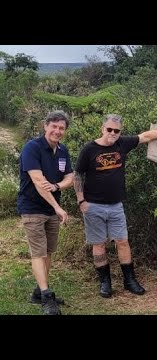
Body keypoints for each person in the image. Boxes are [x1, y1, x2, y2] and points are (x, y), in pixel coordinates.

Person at [74, 114, 157, 298]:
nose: (112, 133)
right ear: (102, 128)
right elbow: (78, 175)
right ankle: (105, 282)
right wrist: (81, 201)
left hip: (116, 205)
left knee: (123, 241)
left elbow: (145, 136)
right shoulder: (89, 149)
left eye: (116, 130)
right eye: (109, 129)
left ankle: (129, 280)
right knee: (99, 245)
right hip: (93, 205)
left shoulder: (122, 143)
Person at [17, 110, 74, 315]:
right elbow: (39, 183)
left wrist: (58, 186)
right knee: (38, 253)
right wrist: (58, 207)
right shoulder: (32, 148)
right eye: (54, 127)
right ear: (45, 126)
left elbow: (70, 177)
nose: (57, 131)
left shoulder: (63, 151)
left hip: (51, 209)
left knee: (49, 252)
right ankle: (47, 297)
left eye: (61, 128)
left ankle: (39, 292)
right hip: (32, 208)